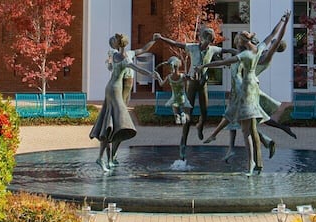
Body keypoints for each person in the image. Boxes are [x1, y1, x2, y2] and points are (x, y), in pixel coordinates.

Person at [198, 31, 272, 175]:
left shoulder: (243, 56)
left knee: (241, 124)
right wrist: (283, 22)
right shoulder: (253, 51)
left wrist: (203, 66)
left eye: (237, 40)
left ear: (242, 42)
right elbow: (270, 37)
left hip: (243, 91)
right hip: (246, 90)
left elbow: (222, 62)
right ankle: (253, 158)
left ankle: (254, 158)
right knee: (245, 126)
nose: (236, 42)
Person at [90, 33, 159, 172]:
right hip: (116, 90)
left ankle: (105, 158)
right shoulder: (125, 59)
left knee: (110, 122)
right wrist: (152, 74)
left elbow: (110, 67)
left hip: (109, 88)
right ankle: (103, 158)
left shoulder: (114, 55)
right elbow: (138, 69)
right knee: (117, 122)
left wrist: (152, 41)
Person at [153, 27, 223, 159]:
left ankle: (200, 126)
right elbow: (175, 44)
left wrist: (243, 52)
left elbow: (226, 50)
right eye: (206, 39)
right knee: (187, 114)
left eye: (210, 40)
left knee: (205, 111)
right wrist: (161, 38)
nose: (208, 43)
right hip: (192, 82)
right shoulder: (192, 47)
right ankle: (183, 143)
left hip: (203, 83)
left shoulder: (213, 50)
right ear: (201, 38)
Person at [159, 57, 191, 125]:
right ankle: (183, 114)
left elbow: (161, 84)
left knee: (175, 107)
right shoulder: (182, 76)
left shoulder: (169, 77)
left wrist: (158, 76)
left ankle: (177, 116)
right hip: (182, 97)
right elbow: (187, 85)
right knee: (184, 108)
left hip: (174, 98)